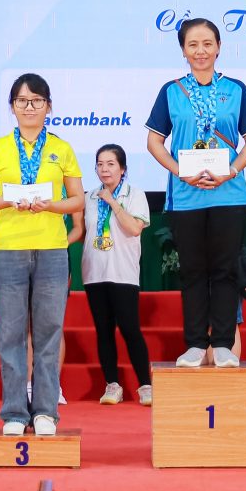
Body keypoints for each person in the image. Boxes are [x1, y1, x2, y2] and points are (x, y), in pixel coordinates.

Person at [146, 18, 246, 367]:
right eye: (193, 44)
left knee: (225, 270)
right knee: (193, 271)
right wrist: (179, 170)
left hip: (229, 195)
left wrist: (232, 171)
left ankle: (223, 344)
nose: (201, 51)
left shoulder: (235, 89)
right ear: (183, 50)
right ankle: (196, 344)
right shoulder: (171, 91)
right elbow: (154, 141)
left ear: (219, 47)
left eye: (207, 43)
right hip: (186, 197)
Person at [0, 74, 85, 436]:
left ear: (49, 107)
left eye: (37, 101)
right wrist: (9, 200)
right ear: (12, 107)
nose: (29, 107)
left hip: (52, 249)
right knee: (10, 334)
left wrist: (51, 205)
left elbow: (77, 201)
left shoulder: (61, 149)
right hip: (7, 250)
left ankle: (46, 412)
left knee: (49, 332)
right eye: (22, 101)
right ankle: (14, 413)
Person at [81, 144, 153, 406]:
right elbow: (83, 231)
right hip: (94, 273)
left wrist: (112, 202)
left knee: (130, 329)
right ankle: (112, 385)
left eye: (111, 164)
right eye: (100, 164)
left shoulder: (135, 194)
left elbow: (134, 228)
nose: (104, 169)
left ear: (122, 169)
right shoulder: (89, 197)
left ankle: (145, 385)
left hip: (123, 273)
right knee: (103, 330)